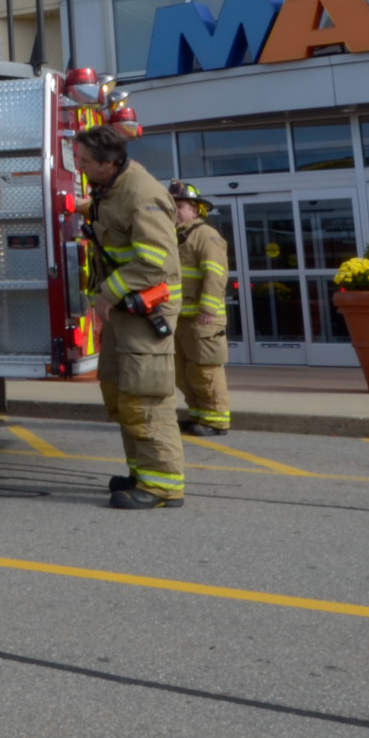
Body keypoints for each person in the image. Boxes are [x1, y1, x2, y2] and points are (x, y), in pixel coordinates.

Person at [73, 124, 184, 510]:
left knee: (144, 398)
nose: (79, 165)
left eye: (84, 160)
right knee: (120, 394)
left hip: (146, 312)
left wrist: (109, 291)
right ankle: (142, 474)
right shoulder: (111, 188)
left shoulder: (141, 193)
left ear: (109, 162)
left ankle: (162, 486)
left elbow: (156, 261)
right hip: (125, 313)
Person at [170, 183, 232, 437]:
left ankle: (216, 420)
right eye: (172, 205)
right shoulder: (173, 235)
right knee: (184, 371)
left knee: (205, 370)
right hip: (181, 317)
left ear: (195, 211)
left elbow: (216, 273)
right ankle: (197, 414)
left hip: (203, 318)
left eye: (180, 205)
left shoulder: (206, 235)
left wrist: (208, 307)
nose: (175, 210)